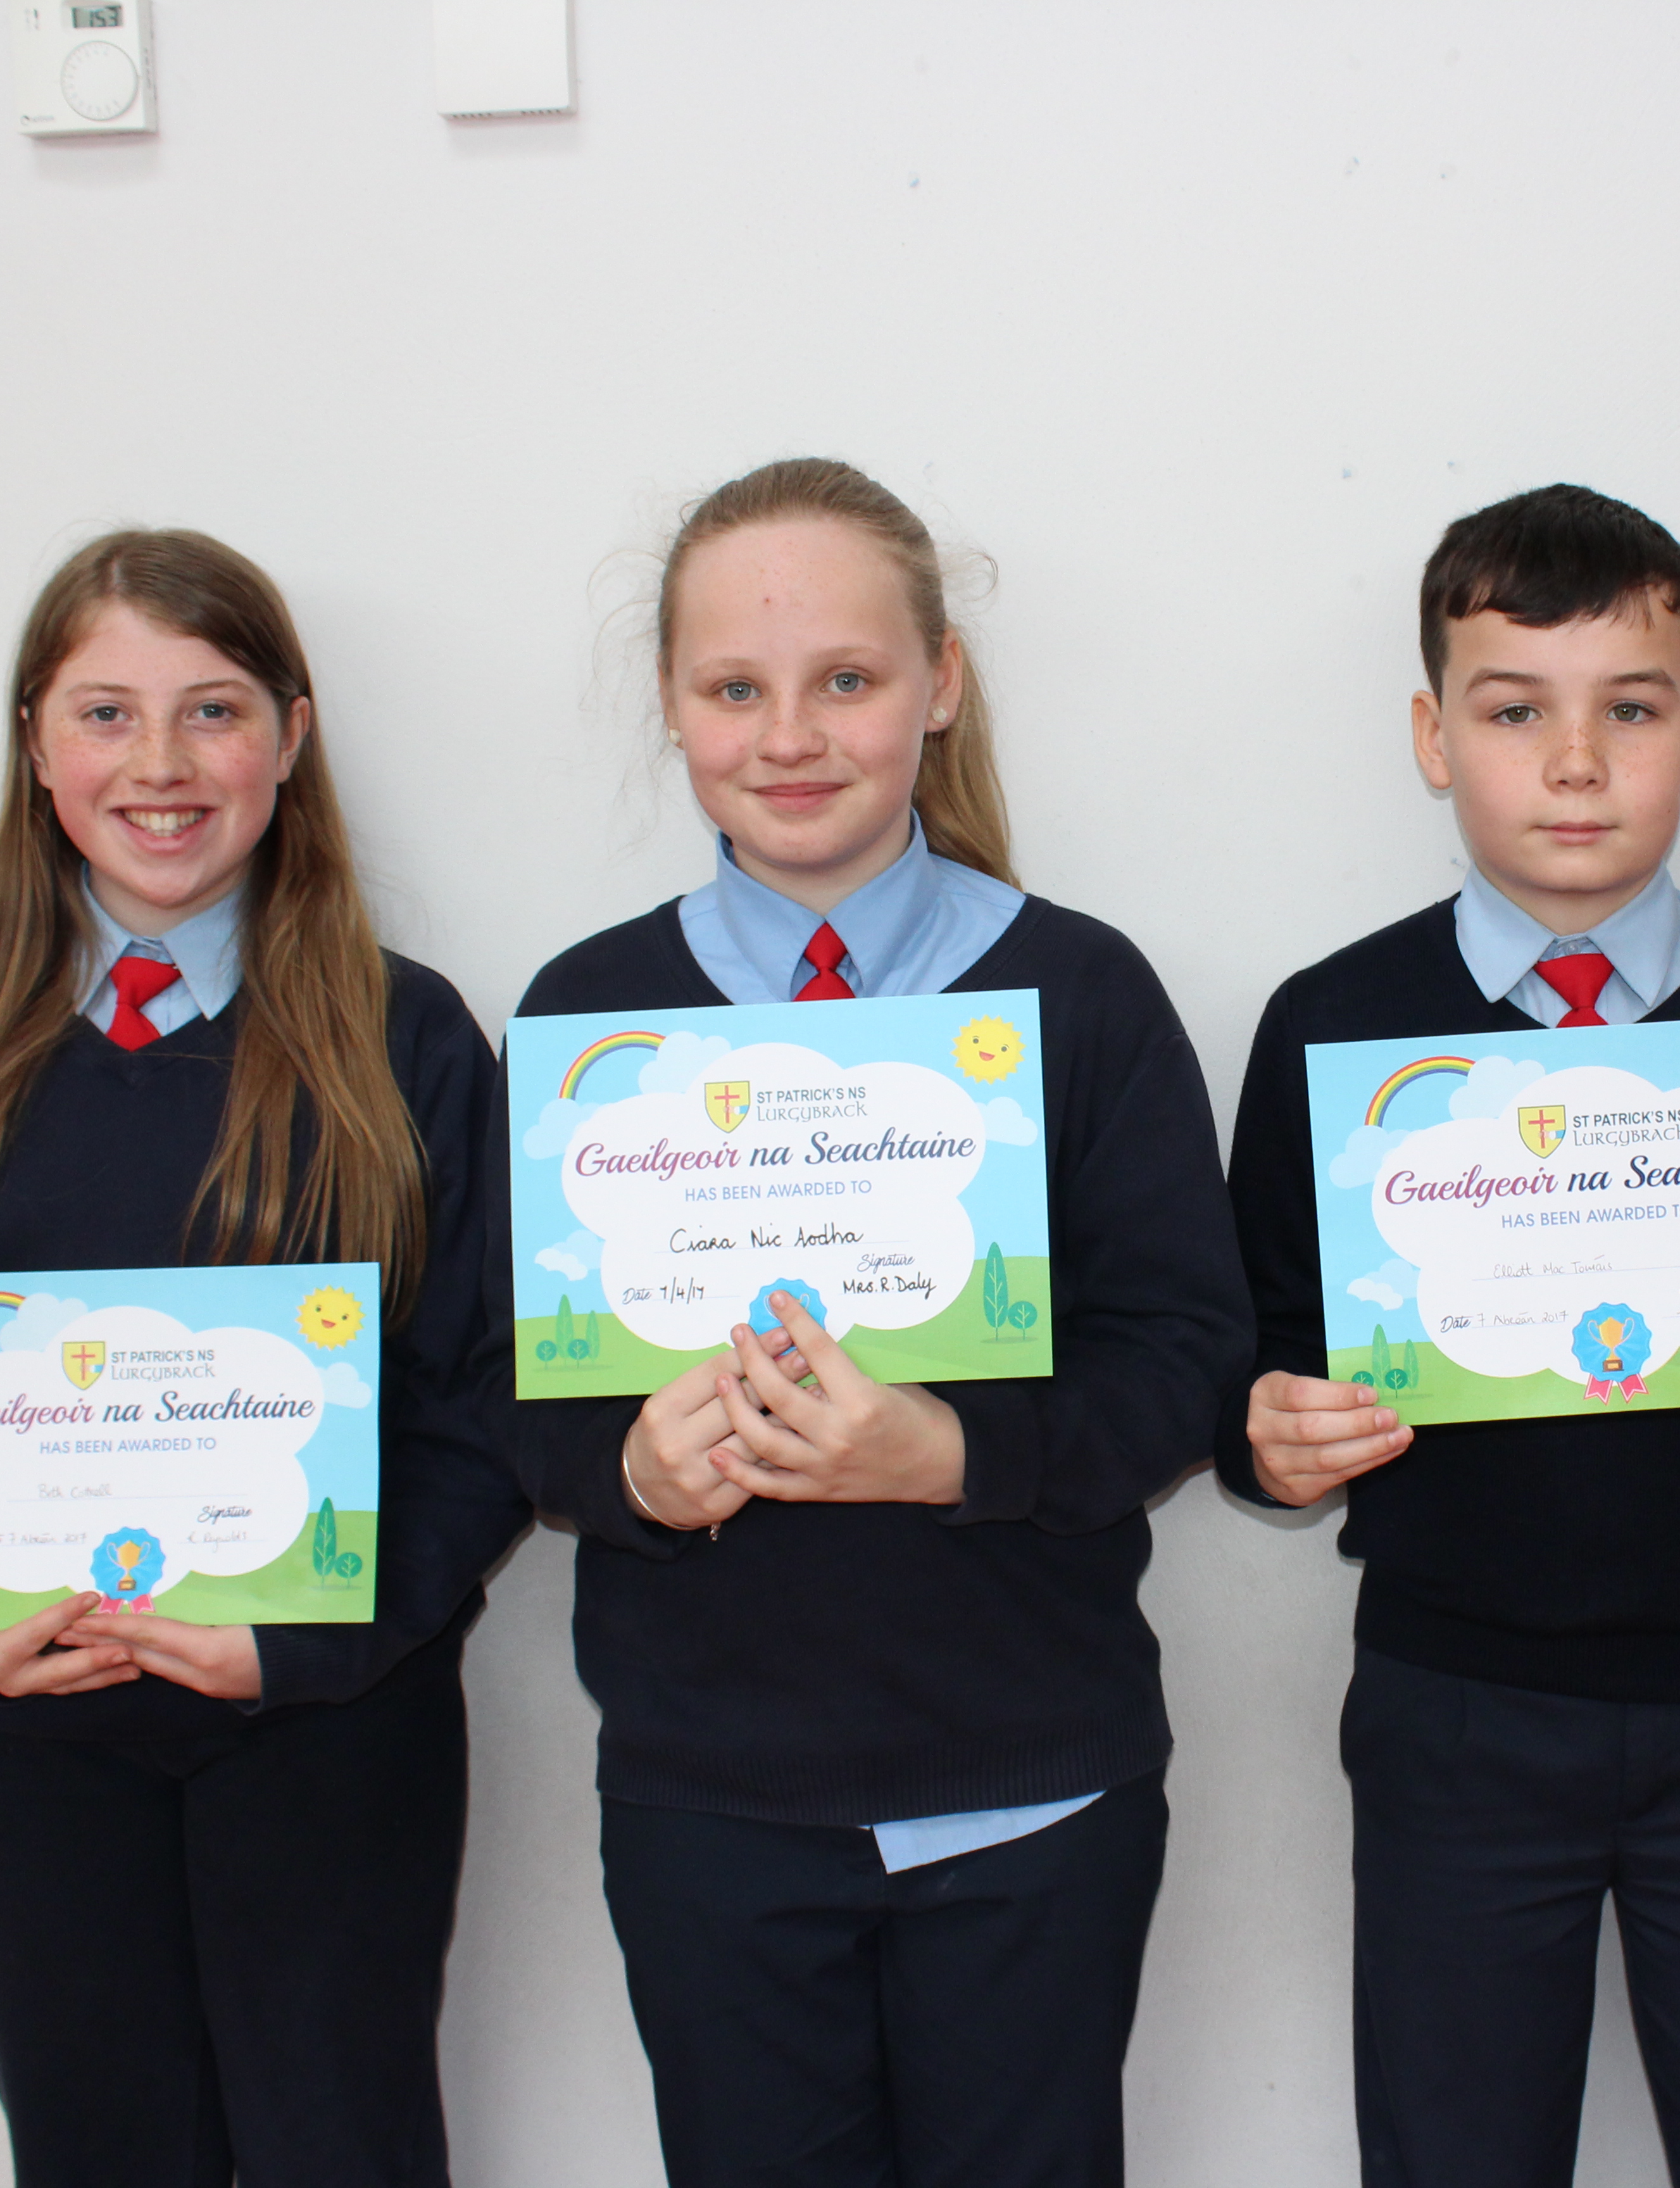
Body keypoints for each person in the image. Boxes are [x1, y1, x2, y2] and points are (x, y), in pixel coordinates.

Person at [499, 457, 1249, 2188]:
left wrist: (957, 1452)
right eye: (733, 688)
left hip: (1034, 1794)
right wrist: (633, 1471)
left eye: (845, 679)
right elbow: (511, 1398)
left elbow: (1186, 1359)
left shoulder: (1083, 991)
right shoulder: (591, 1016)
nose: (791, 737)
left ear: (940, 686)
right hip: (711, 1802)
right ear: (671, 705)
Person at [0, 530, 529, 2187]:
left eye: (214, 709)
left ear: (292, 738)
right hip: (33, 1740)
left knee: (345, 2146)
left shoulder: (402, 1036)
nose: (161, 765)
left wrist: (307, 1646)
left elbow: (487, 1395)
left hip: (330, 1733)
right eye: (106, 713)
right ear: (36, 746)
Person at [1220, 484, 1680, 2188]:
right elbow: (1250, 1356)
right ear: (1433, 738)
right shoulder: (1334, 1027)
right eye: (1513, 713)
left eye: (1629, 710)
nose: (1575, 763)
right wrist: (1265, 1442)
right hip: (1454, 1705)